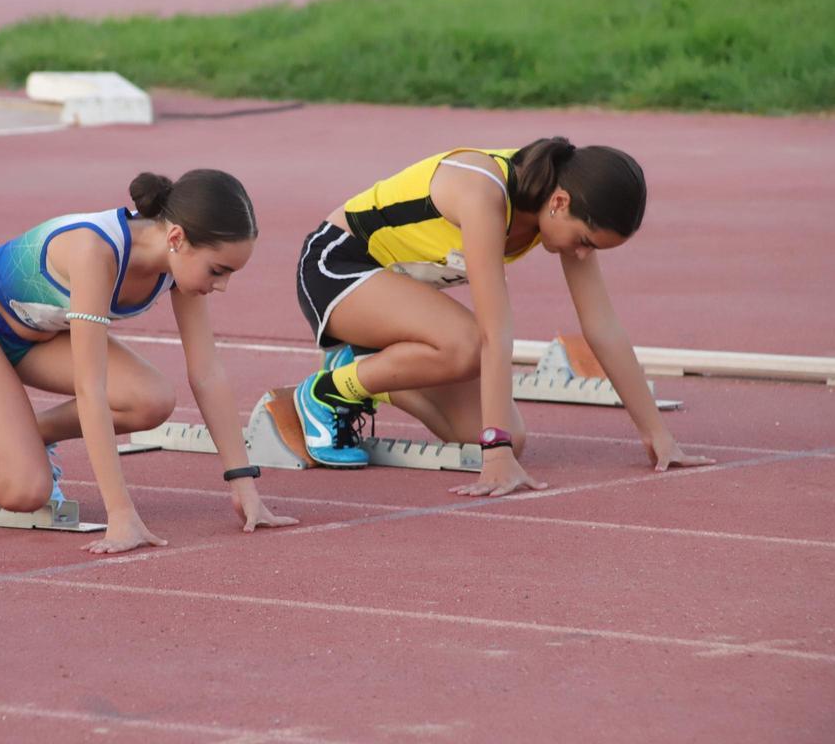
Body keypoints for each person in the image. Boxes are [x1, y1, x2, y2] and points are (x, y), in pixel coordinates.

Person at [0, 169, 298, 553]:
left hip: (36, 336)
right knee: (24, 490)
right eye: (219, 271)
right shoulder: (96, 252)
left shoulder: (178, 268)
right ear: (176, 237)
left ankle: (22, 440)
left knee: (152, 400)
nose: (222, 286)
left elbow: (207, 372)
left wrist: (244, 486)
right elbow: (90, 388)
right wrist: (121, 513)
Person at [292, 137, 714, 495]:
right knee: (470, 352)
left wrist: (656, 433)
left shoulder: (561, 211)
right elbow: (494, 332)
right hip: (338, 269)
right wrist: (496, 449)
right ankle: (327, 392)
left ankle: (366, 369)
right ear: (560, 202)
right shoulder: (483, 194)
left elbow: (602, 326)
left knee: (508, 437)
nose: (583, 254)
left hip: (398, 296)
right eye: (585, 241)